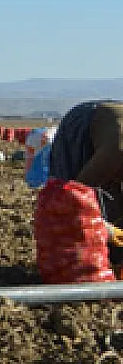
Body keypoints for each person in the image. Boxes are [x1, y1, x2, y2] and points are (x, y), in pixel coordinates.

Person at [48, 100, 123, 254]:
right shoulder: (114, 155)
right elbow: (72, 195)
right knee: (67, 202)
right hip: (84, 125)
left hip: (109, 127)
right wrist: (104, 228)